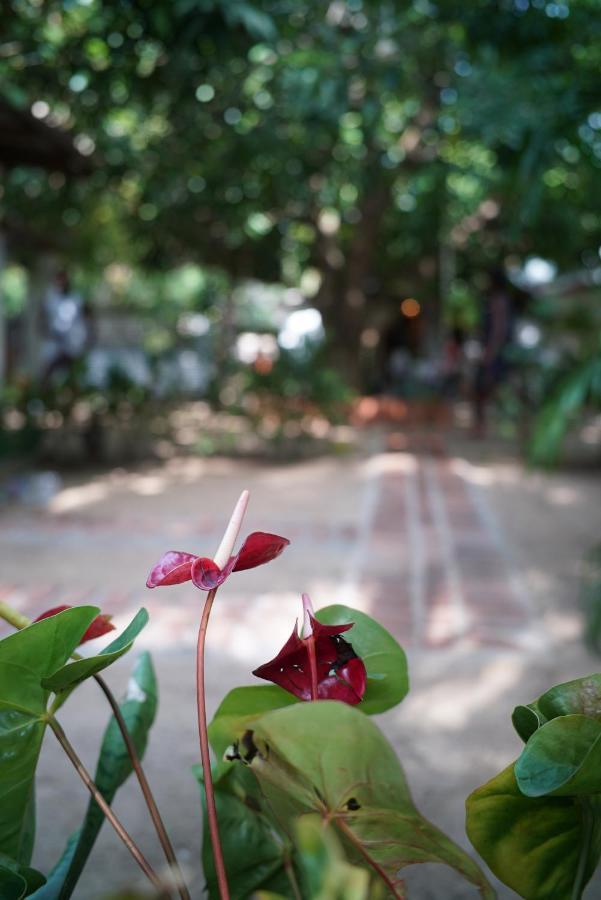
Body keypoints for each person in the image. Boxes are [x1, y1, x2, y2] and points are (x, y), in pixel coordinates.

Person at [472, 268, 514, 438]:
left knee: (483, 389)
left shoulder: (498, 301)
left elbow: (499, 329)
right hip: (499, 352)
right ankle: (484, 427)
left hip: (497, 353)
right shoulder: (500, 300)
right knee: (486, 390)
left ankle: (483, 428)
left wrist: (490, 352)